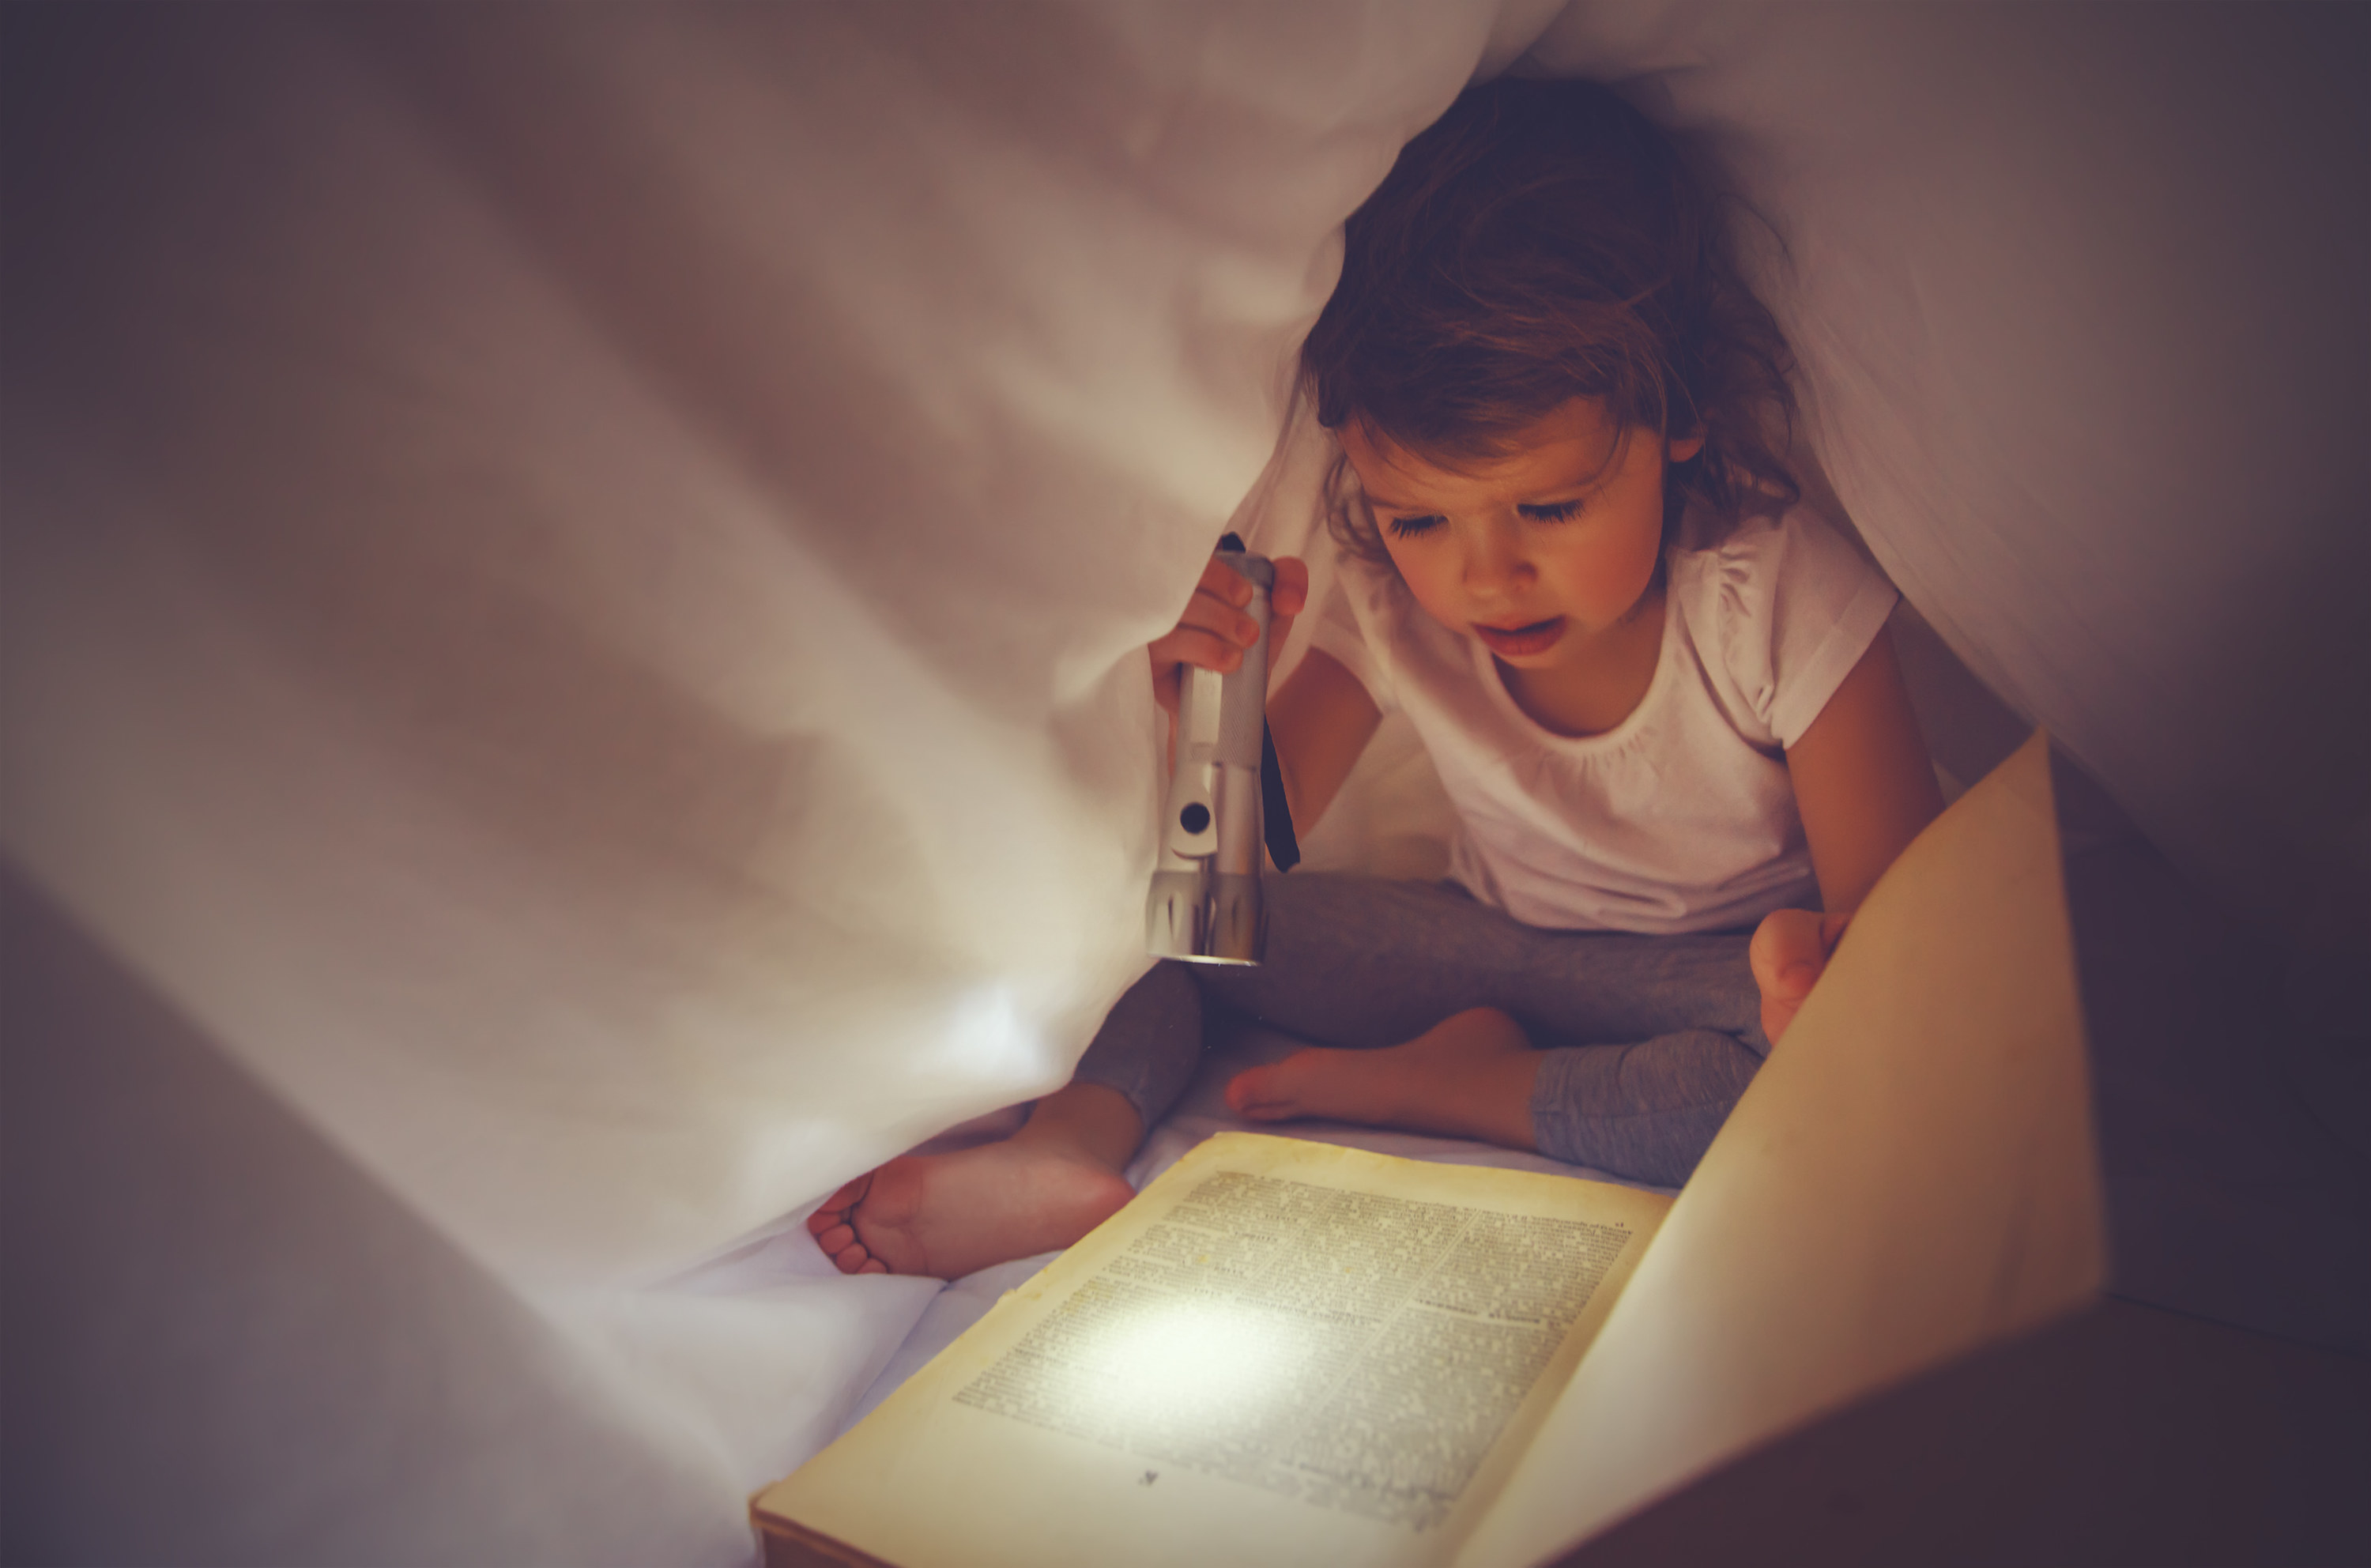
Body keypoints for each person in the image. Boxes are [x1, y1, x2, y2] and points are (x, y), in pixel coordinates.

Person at [810, 77, 1941, 1279]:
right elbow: (1235, 860)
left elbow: (1908, 948)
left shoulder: (1774, 597)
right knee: (1170, 933)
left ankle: (1466, 1089)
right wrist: (1209, 694)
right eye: (1417, 521)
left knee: (1824, 1085)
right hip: (1480, 945)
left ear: (1678, 419)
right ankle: (1073, 1141)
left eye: (1549, 508)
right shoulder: (1393, 607)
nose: (1487, 577)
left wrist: (1808, 988)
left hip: (1700, 976)